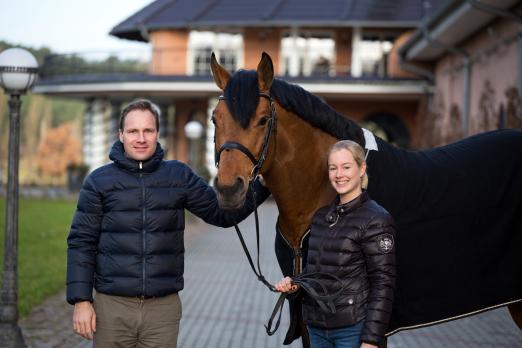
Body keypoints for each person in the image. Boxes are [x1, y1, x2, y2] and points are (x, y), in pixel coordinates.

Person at [66, 99, 270, 347]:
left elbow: (222, 215)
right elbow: (81, 243)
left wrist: (262, 187)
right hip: (112, 307)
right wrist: (81, 301)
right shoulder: (99, 182)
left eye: (148, 131)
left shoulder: (178, 176)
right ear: (121, 135)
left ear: (157, 134)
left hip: (162, 310)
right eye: (133, 131)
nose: (141, 138)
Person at [275, 140, 396, 348]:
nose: (339, 174)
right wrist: (296, 283)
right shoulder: (321, 217)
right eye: (333, 168)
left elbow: (383, 284)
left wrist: (371, 339)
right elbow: (316, 271)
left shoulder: (377, 219)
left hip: (351, 329)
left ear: (362, 169)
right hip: (316, 327)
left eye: (346, 167)